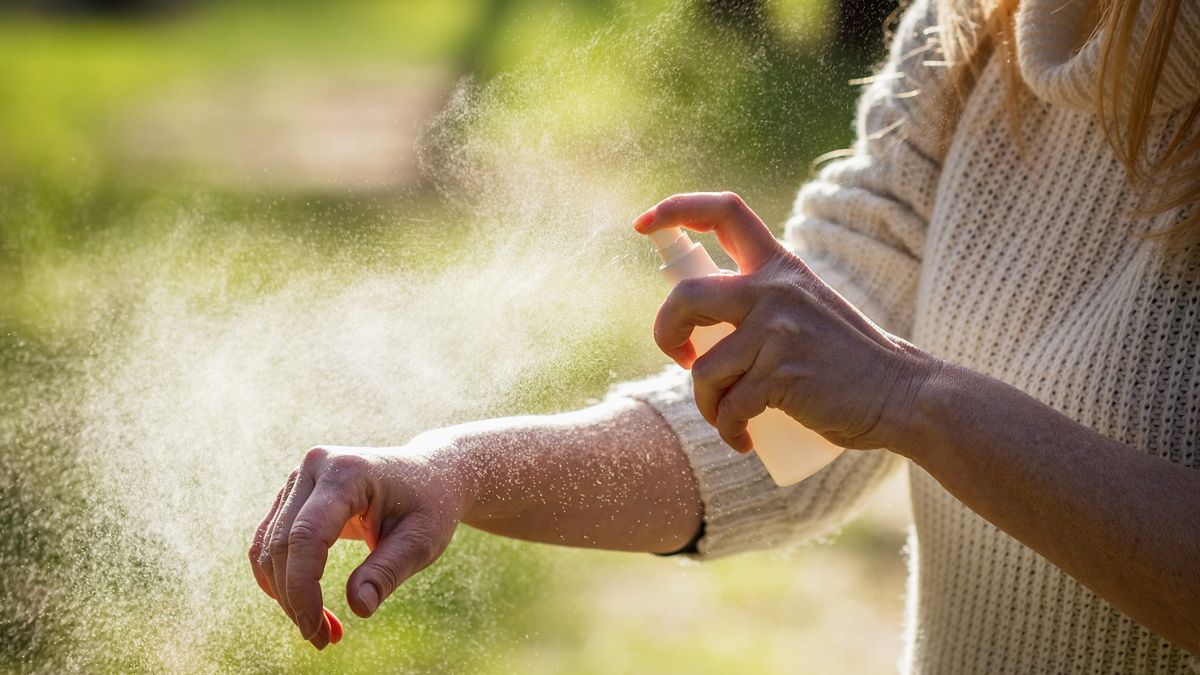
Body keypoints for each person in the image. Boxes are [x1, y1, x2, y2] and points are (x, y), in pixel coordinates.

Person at [248, 0, 1200, 670]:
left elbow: (876, 391)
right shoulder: (971, 33)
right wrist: (452, 469)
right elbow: (786, 434)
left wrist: (915, 402)